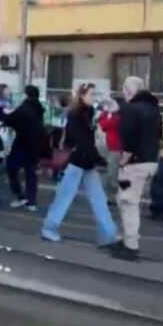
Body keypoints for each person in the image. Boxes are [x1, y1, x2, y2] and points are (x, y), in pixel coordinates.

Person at [41, 83, 118, 247]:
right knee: (70, 196)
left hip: (84, 160)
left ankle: (108, 234)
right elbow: (82, 140)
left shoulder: (84, 113)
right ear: (82, 95)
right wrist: (97, 158)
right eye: (91, 94)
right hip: (80, 160)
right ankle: (49, 227)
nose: (94, 97)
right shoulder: (78, 115)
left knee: (94, 198)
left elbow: (80, 139)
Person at [111, 77, 163, 261]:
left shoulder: (130, 109)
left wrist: (123, 160)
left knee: (127, 202)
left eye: (124, 89)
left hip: (133, 165)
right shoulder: (154, 109)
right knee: (126, 199)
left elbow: (129, 139)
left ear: (128, 90)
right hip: (150, 162)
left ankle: (130, 244)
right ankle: (125, 237)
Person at [1, 85, 46, 211]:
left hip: (22, 143)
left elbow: (10, 120)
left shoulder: (24, 108)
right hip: (35, 144)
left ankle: (20, 195)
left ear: (26, 95)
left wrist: (2, 113)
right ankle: (31, 201)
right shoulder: (39, 109)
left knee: (11, 167)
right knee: (31, 172)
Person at [97, 97, 123, 201]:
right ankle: (108, 195)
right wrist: (106, 111)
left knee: (113, 173)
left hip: (115, 147)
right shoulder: (110, 114)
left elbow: (107, 124)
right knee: (107, 171)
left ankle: (113, 196)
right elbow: (101, 123)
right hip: (107, 146)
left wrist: (108, 113)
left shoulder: (119, 116)